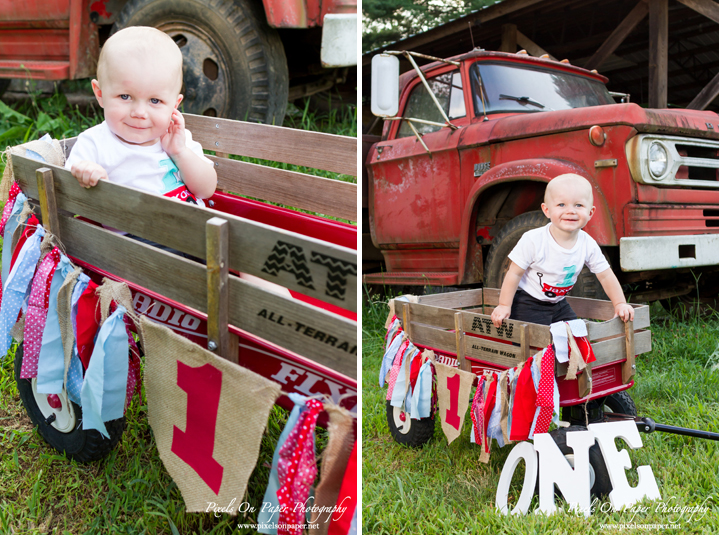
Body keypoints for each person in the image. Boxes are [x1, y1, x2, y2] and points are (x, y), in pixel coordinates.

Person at [65, 26, 217, 204]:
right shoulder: (93, 144)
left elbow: (206, 190)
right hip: (131, 230)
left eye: (154, 101)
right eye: (125, 96)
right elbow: (69, 192)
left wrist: (180, 152)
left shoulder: (178, 140)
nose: (139, 113)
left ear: (174, 105)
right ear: (100, 94)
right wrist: (89, 176)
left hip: (192, 227)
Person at [490, 173, 634, 328]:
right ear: (546, 210)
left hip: (558, 303)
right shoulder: (533, 240)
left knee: (575, 334)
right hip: (528, 302)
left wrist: (619, 303)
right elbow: (514, 273)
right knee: (536, 341)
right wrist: (504, 305)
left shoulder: (587, 244)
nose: (570, 211)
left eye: (578, 205)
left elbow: (605, 275)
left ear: (590, 213)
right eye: (561, 205)